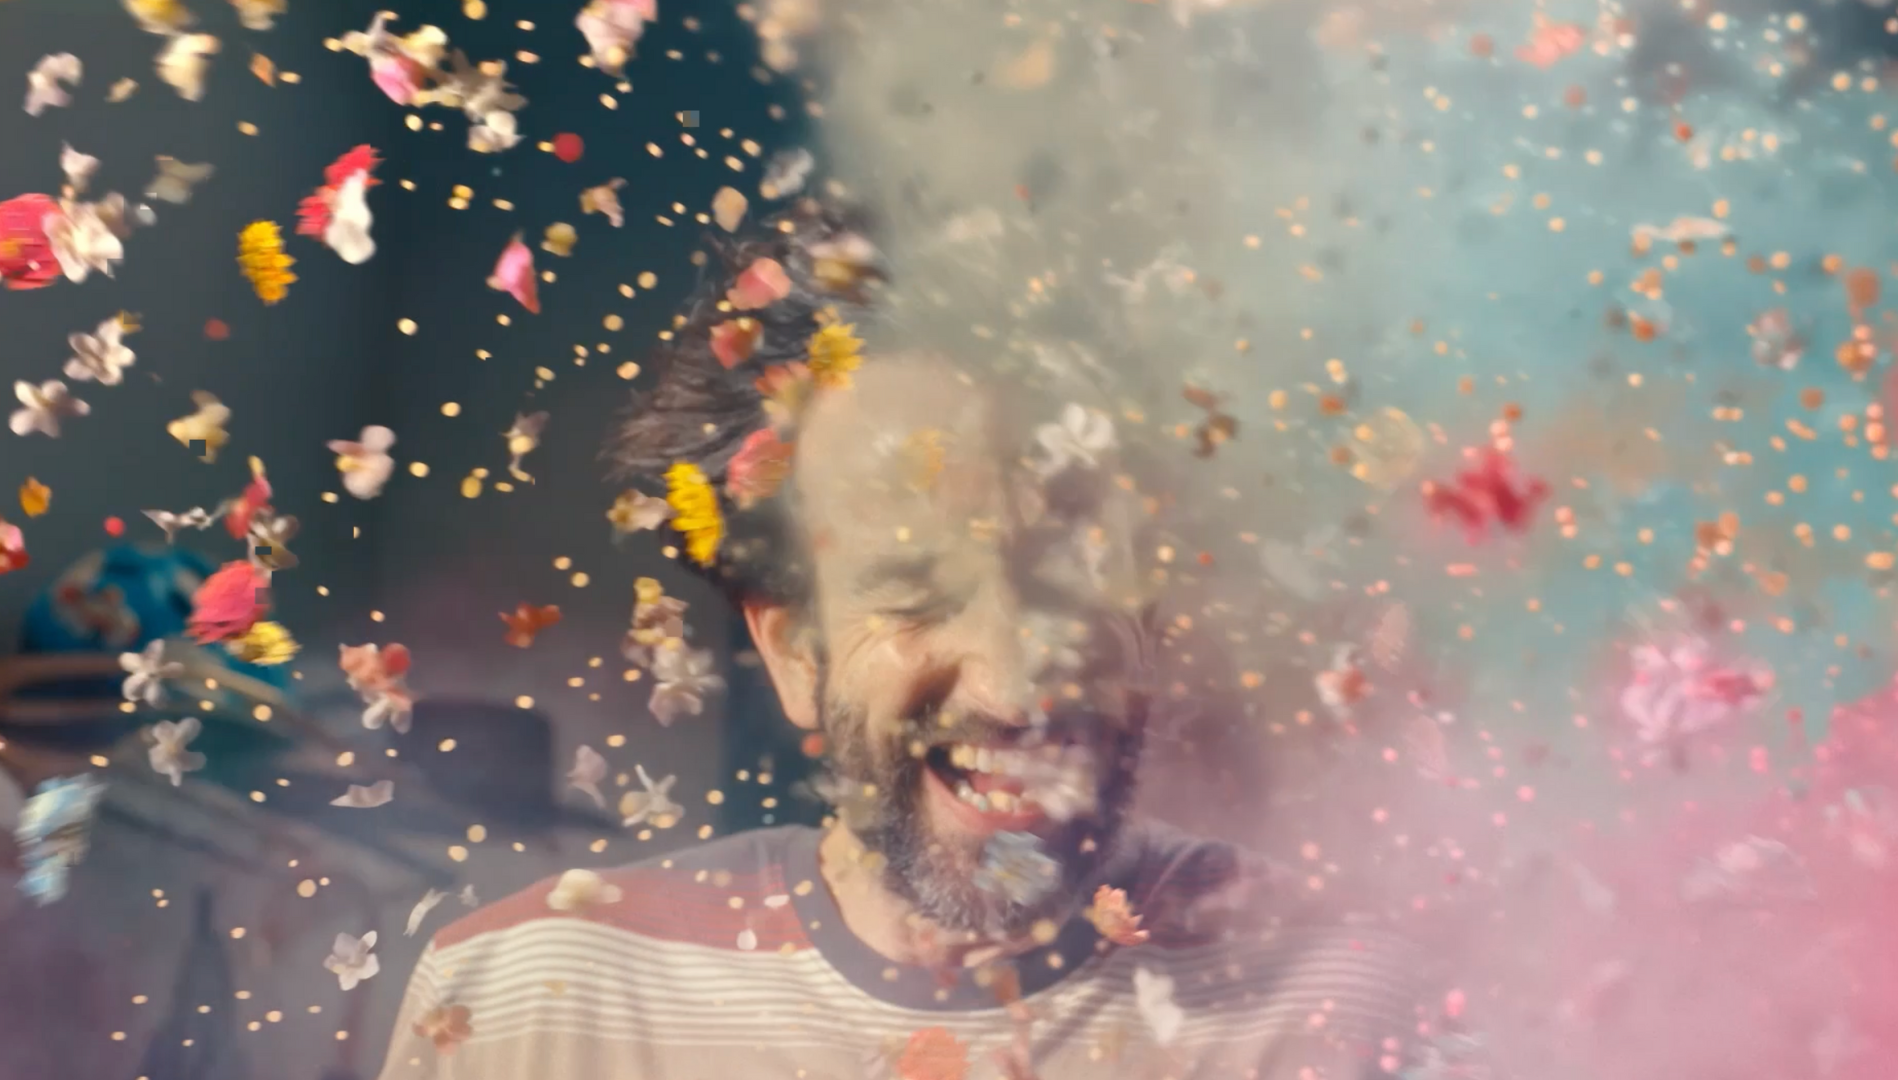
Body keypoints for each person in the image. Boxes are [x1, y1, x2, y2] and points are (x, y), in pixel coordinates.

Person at [377, 202, 1435, 1080]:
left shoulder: (1345, 995)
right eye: (917, 593)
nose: (1016, 686)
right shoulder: (536, 1005)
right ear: (796, 651)